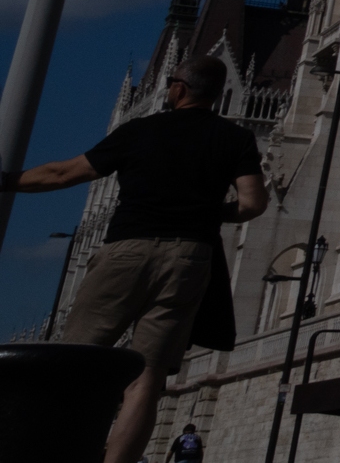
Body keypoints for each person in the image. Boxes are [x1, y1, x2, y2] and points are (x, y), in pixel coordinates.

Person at [5, 56, 267, 463]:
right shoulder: (235, 138)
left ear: (178, 88)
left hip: (127, 248)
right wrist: (209, 213)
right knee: (148, 376)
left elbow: (63, 174)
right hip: (189, 256)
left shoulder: (140, 130)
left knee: (79, 359)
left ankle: (56, 453)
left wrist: (8, 181)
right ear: (217, 94)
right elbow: (252, 203)